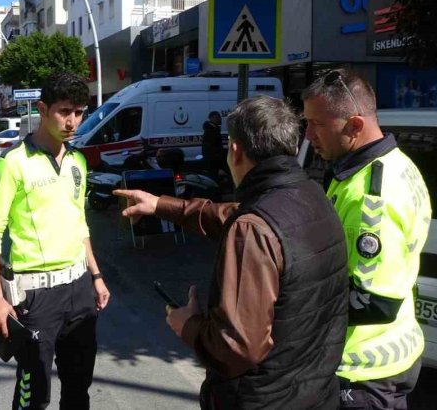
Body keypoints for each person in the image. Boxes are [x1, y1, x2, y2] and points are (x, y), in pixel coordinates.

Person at [115, 96, 348, 409]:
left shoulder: (254, 227)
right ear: (291, 147)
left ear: (235, 151)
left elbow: (236, 347)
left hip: (263, 400)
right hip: (316, 393)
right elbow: (230, 215)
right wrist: (160, 205)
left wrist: (189, 326)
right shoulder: (312, 196)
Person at [0, 72, 111, 410]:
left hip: (79, 289)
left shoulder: (78, 162)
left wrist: (95, 276)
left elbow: (79, 223)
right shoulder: (12, 164)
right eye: (64, 111)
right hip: (36, 299)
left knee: (78, 390)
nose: (72, 121)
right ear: (42, 109)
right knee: (33, 397)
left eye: (79, 112)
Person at [302, 70, 432, 410]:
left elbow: (373, 302)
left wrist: (288, 306)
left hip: (362, 373)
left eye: (317, 124)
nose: (307, 134)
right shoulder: (394, 164)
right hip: (389, 357)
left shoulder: (372, 198)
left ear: (355, 126)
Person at [201, 111, 227, 180]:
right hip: (213, 159)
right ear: (212, 118)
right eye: (218, 117)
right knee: (214, 176)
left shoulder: (214, 129)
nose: (220, 119)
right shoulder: (210, 130)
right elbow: (211, 147)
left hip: (214, 159)